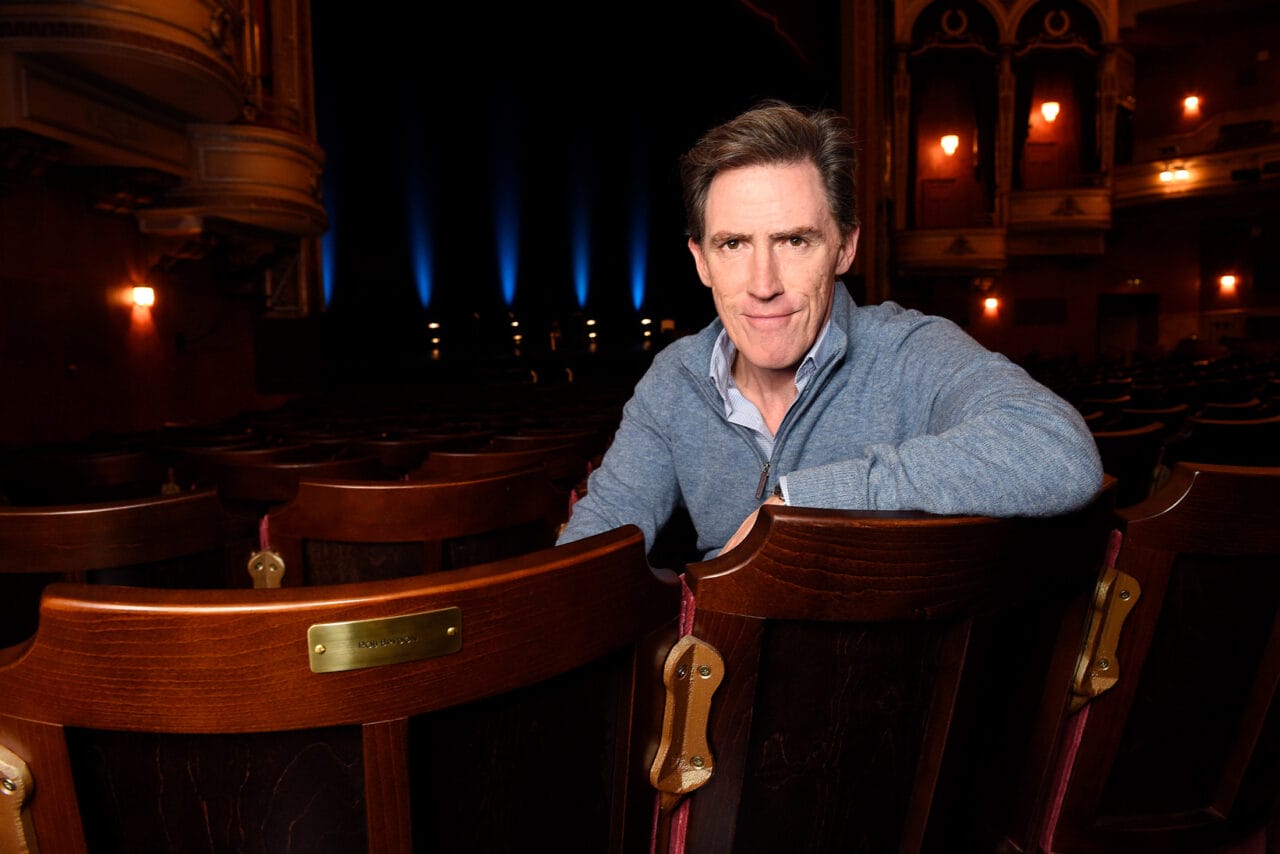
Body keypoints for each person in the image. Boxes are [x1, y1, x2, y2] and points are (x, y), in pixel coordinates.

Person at [557, 99, 1103, 559]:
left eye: (794, 241)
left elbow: (1060, 451)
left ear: (845, 247)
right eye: (734, 244)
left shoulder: (910, 351)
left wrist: (796, 506)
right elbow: (601, 529)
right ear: (701, 261)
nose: (762, 283)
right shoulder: (674, 378)